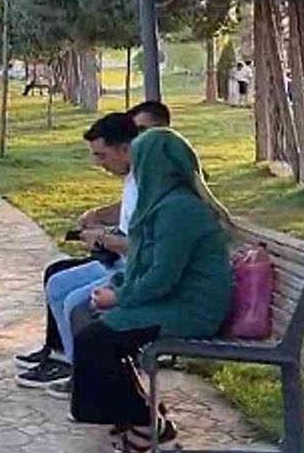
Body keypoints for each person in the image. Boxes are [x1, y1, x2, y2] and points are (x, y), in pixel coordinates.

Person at [71, 128, 233, 450]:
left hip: (192, 310)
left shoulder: (179, 210)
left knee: (96, 338)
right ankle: (137, 416)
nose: (136, 172)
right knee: (88, 321)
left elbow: (161, 277)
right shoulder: (163, 204)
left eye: (139, 163)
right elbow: (145, 263)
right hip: (173, 300)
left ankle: (147, 424)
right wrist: (119, 286)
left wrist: (119, 297)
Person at [14, 103, 173, 393]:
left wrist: (101, 239)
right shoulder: (136, 175)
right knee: (58, 283)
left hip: (141, 273)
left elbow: (149, 250)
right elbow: (129, 221)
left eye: (101, 155)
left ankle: (91, 382)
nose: (98, 163)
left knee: (77, 303)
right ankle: (75, 368)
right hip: (127, 263)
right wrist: (98, 222)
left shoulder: (159, 180)